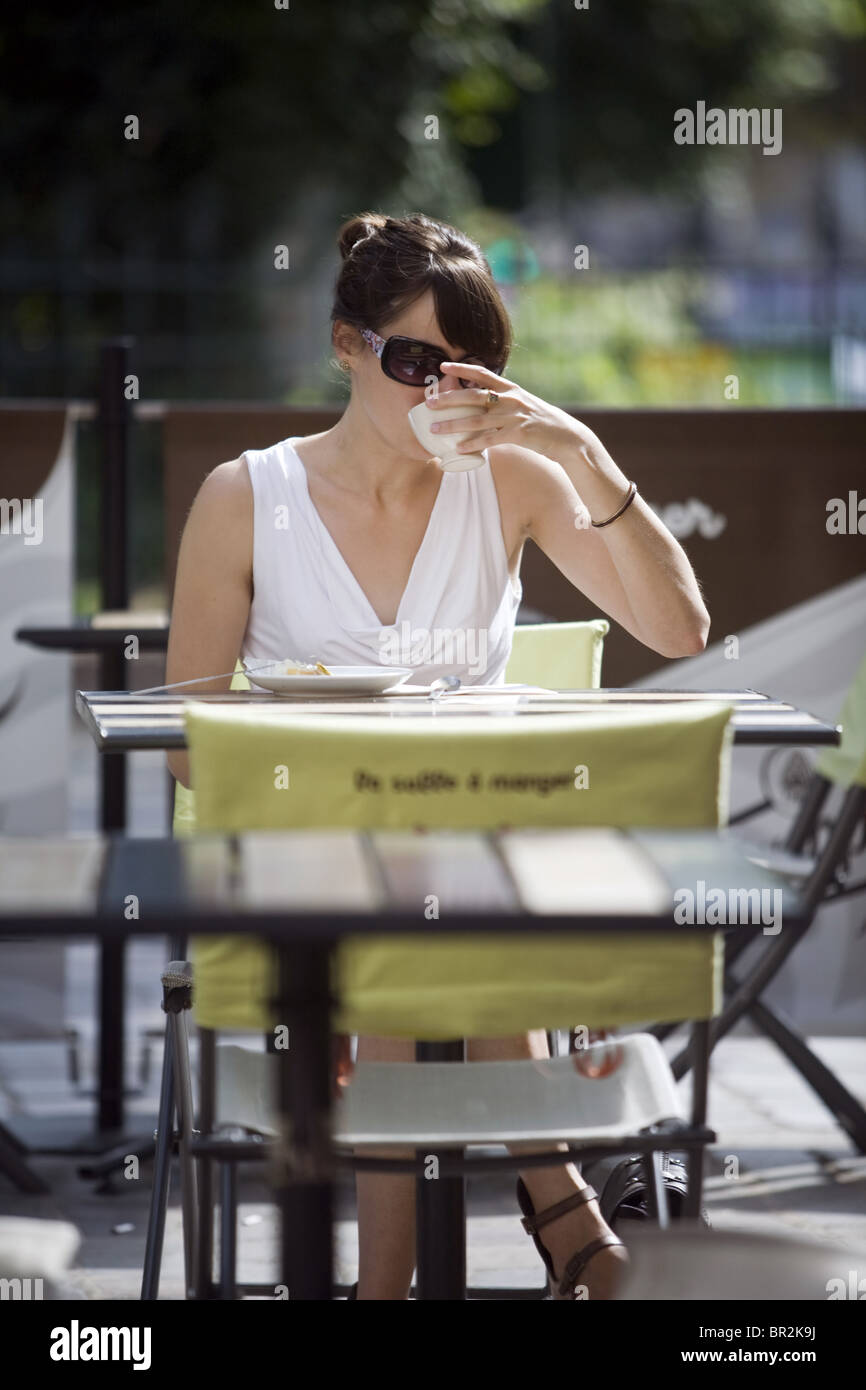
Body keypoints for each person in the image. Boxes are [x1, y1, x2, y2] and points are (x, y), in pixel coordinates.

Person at [165, 211, 710, 1300]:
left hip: (468, 866)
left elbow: (680, 628)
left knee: (419, 880)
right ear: (344, 346)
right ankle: (570, 1231)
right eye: (415, 362)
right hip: (298, 856)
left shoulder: (509, 479)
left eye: (473, 370)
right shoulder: (246, 497)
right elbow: (190, 745)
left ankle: (391, 1288)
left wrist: (570, 445)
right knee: (405, 882)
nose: (441, 396)